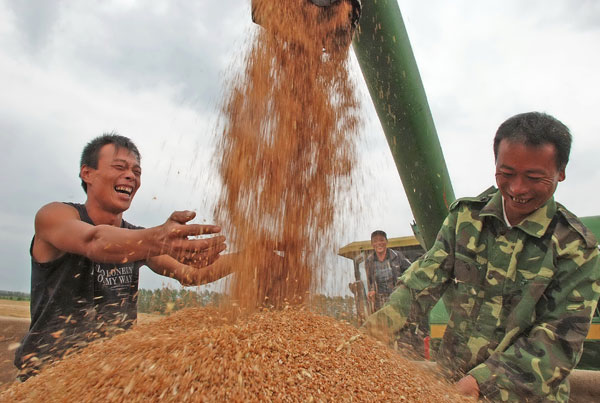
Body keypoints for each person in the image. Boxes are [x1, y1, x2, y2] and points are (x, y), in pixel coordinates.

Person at [362, 112, 600, 402]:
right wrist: (370, 335)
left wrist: (481, 383)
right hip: (448, 385)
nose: (517, 188)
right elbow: (421, 283)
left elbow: (558, 341)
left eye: (534, 177)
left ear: (560, 172)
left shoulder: (575, 248)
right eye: (506, 174)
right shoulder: (466, 220)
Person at [15, 133, 229, 380]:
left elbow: (192, 274)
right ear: (87, 173)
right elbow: (94, 241)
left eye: (136, 172)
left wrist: (256, 253)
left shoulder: (137, 239)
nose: (131, 176)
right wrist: (159, 239)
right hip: (47, 380)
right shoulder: (54, 216)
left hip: (111, 380)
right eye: (120, 167)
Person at [366, 230, 411, 311]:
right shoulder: (369, 261)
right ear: (372, 244)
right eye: (375, 241)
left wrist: (403, 287)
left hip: (398, 297)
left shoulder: (397, 256)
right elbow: (370, 280)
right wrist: (371, 290)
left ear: (386, 242)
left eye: (382, 240)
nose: (379, 243)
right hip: (380, 301)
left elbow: (410, 271)